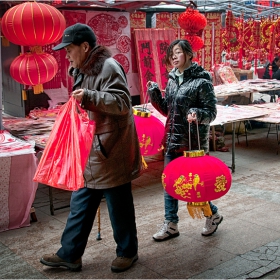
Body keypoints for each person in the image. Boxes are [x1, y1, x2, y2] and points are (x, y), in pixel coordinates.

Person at [40, 23, 142, 273]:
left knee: (119, 208)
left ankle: (128, 253)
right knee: (80, 205)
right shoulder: (82, 68)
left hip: (111, 149)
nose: (66, 55)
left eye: (70, 49)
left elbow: (122, 103)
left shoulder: (108, 66)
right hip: (91, 149)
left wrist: (88, 97)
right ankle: (70, 255)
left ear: (85, 47)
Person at [147, 39, 223, 242]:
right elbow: (168, 111)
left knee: (196, 186)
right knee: (169, 183)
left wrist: (197, 113)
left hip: (193, 144)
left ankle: (212, 214)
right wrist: (154, 94)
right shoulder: (172, 80)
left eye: (178, 52)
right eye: (171, 53)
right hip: (173, 141)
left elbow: (211, 113)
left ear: (189, 54)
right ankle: (171, 224)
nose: (173, 56)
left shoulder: (202, 81)